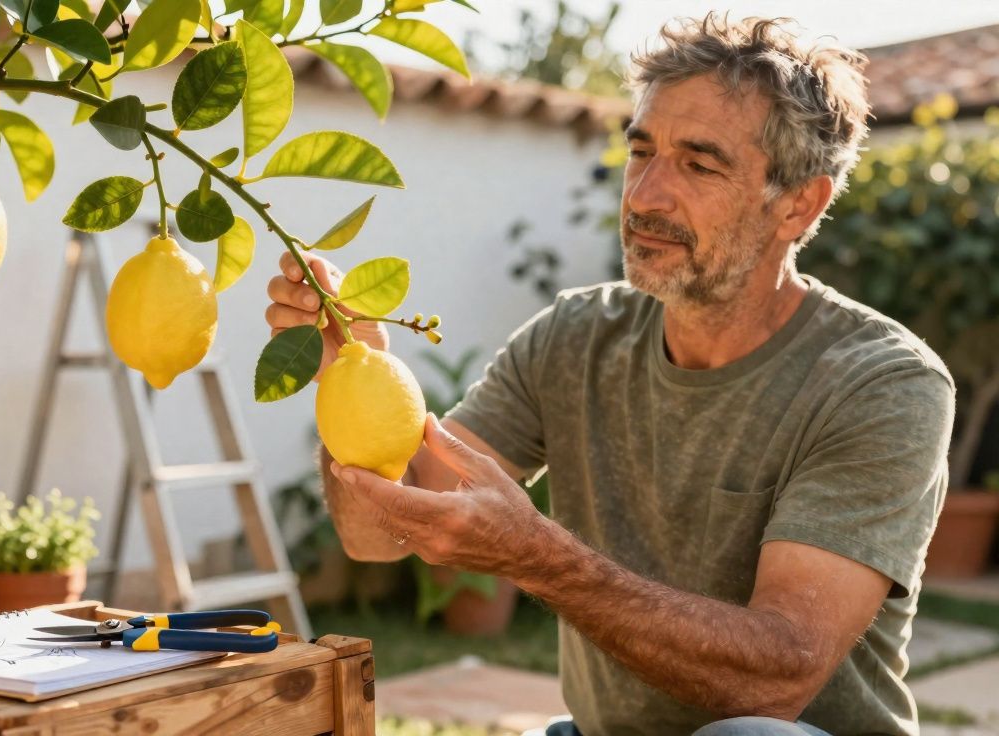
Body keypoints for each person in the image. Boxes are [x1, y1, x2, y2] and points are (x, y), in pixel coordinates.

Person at [264, 12, 956, 736]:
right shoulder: (575, 337)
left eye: (699, 163)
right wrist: (351, 377)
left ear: (796, 203)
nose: (645, 195)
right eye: (641, 151)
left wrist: (537, 556)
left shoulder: (881, 383)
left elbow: (778, 677)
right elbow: (380, 534)